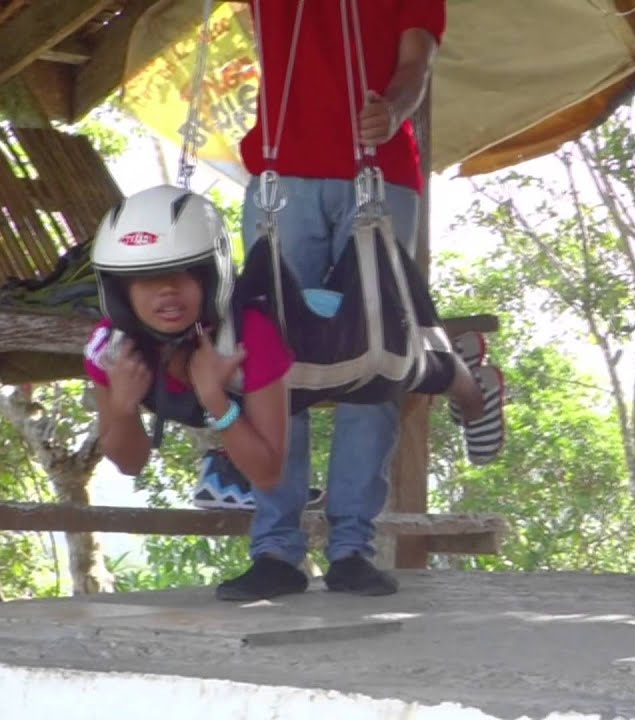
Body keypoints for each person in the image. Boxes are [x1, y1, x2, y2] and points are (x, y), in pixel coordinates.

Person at [216, 0, 504, 602]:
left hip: (379, 172)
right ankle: (275, 550)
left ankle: (351, 548)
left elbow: (416, 61)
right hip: (282, 169)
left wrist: (393, 109)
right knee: (274, 364)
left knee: (376, 359)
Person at [87, 185, 292, 526]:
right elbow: (131, 464)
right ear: (121, 293)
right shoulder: (111, 349)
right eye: (147, 280)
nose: (167, 290)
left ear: (210, 280)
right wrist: (123, 408)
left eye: (181, 275)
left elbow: (268, 475)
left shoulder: (251, 336)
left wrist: (216, 399)